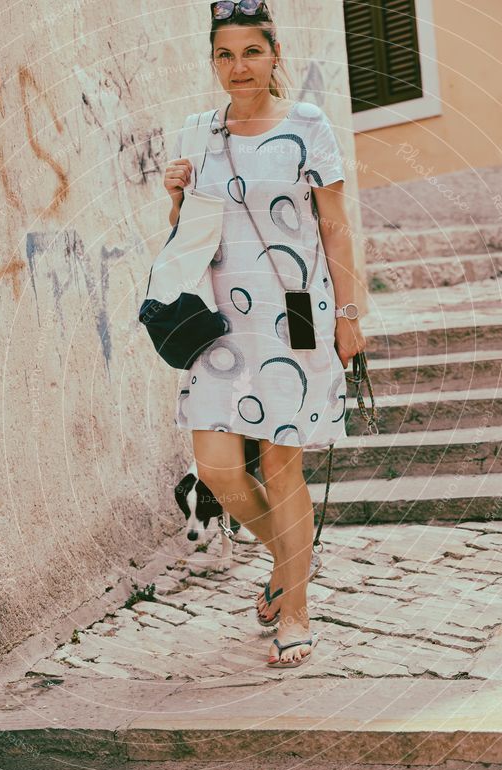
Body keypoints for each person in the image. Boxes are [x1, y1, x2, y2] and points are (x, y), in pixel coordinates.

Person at [163, 0, 366, 668]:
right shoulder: (198, 131)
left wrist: (348, 315)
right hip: (219, 320)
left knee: (282, 461)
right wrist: (175, 197)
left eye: (251, 51)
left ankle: (296, 611)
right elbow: (189, 238)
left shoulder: (306, 124)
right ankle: (287, 561)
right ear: (212, 61)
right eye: (225, 54)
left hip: (298, 308)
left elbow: (333, 222)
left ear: (274, 54)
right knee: (220, 469)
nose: (238, 67)